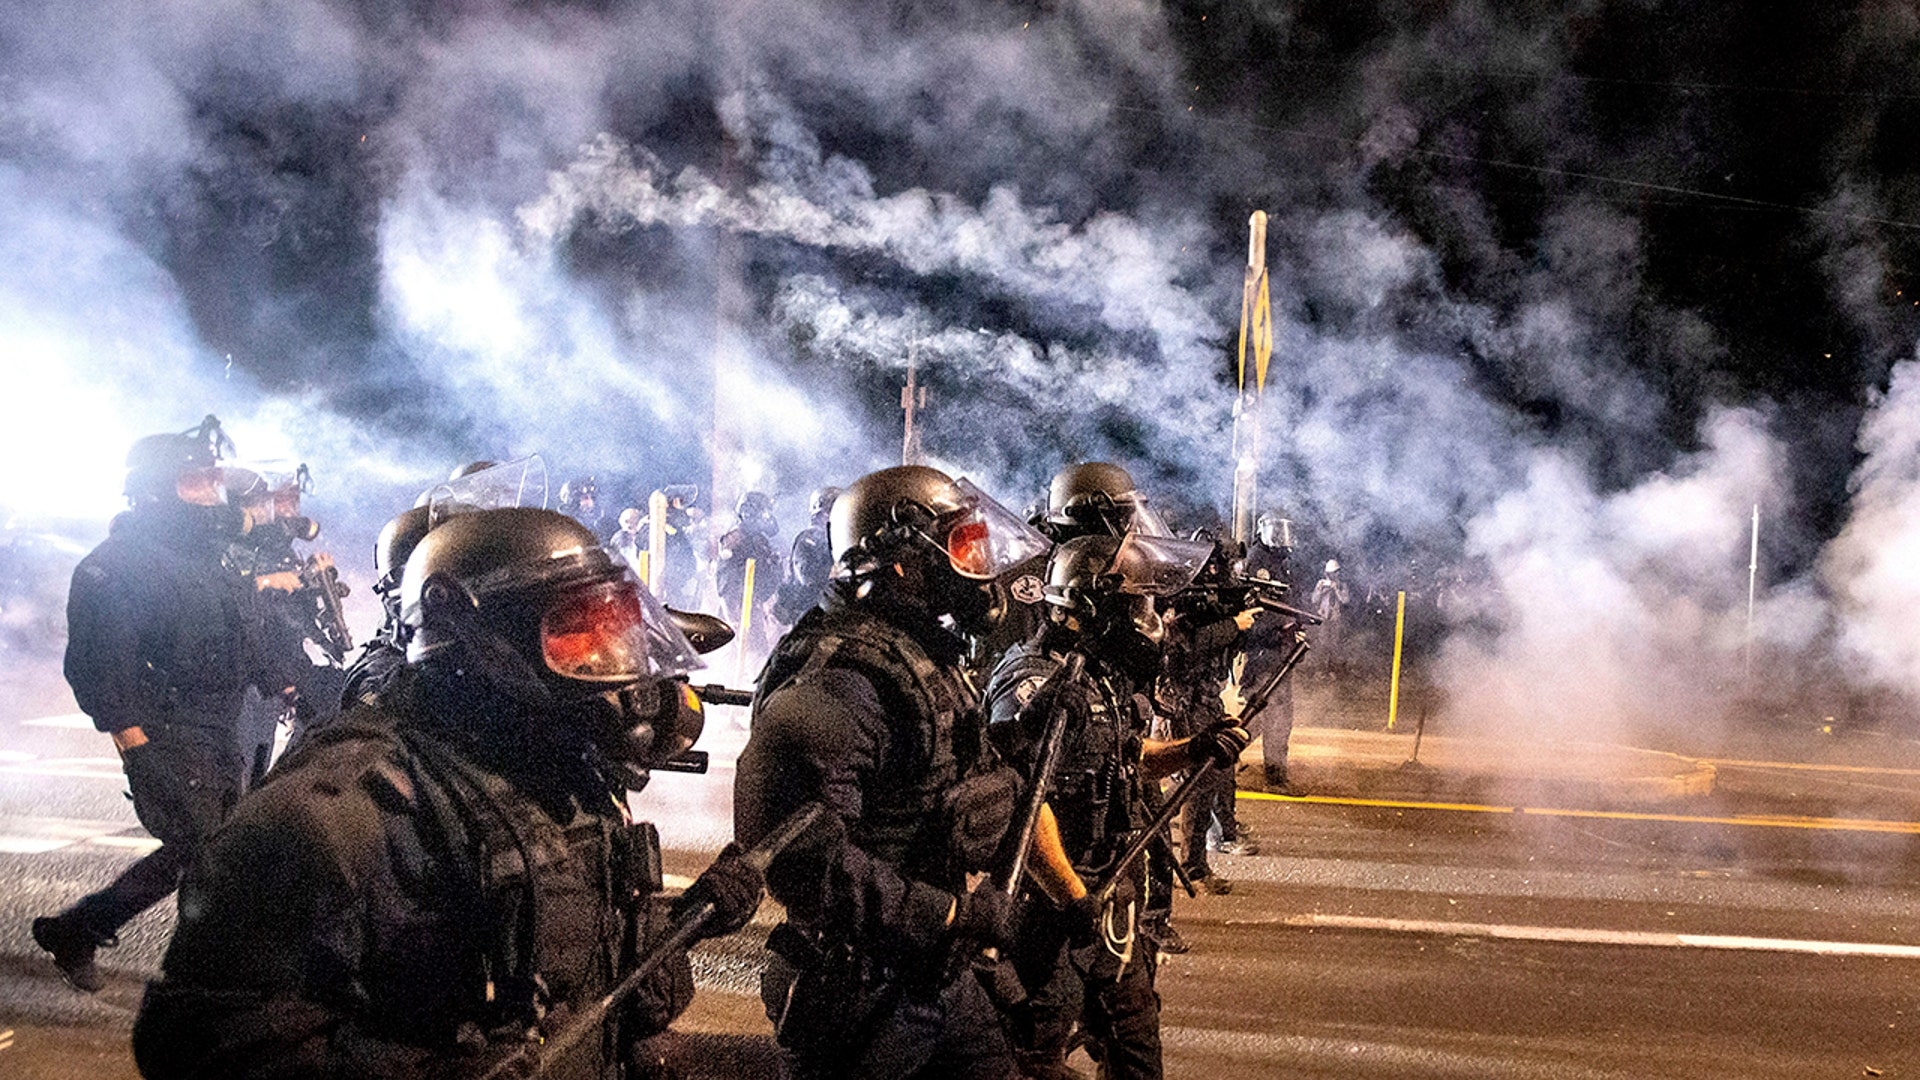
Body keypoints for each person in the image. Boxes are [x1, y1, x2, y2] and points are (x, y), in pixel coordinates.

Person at [131, 506, 766, 1079]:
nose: (605, 658)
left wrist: (688, 921)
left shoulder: (551, 775)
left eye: (610, 630)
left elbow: (575, 971)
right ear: (473, 630)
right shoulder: (337, 812)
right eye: (574, 631)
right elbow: (198, 1044)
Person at [735, 465, 1050, 1080]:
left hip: (938, 974)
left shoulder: (923, 656)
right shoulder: (844, 680)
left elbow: (956, 790)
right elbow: (802, 860)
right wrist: (951, 915)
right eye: (962, 546)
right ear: (902, 561)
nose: (980, 566)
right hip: (860, 993)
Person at [985, 534, 1249, 1080]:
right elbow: (1024, 802)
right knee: (1033, 1058)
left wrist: (1193, 748)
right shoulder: (1034, 683)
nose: (1149, 620)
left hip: (1108, 901)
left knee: (1136, 1054)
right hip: (1049, 909)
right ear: (1090, 610)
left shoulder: (1102, 676)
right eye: (1137, 606)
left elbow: (1126, 758)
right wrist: (1074, 896)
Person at [32, 419, 271, 994]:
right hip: (166, 727)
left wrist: (286, 684)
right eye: (196, 483)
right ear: (158, 488)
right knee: (212, 855)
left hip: (224, 722)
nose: (211, 495)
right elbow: (96, 665)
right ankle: (205, 988)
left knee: (200, 849)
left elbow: (242, 634)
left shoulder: (208, 556)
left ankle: (79, 929)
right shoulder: (118, 563)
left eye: (213, 482)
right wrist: (134, 743)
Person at [1239, 512, 1296, 792]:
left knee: (1264, 717)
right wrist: (1282, 624)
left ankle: (1224, 760)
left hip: (1277, 651)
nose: (1282, 536)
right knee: (1273, 717)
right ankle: (1275, 778)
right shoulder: (1257, 561)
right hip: (1264, 653)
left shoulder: (1278, 562)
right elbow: (1255, 610)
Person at [713, 491, 781, 663]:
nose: (766, 518)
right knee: (745, 655)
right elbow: (726, 582)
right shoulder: (735, 539)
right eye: (763, 512)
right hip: (740, 607)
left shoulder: (758, 539)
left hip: (754, 605)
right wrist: (735, 617)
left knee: (758, 652)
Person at [770, 485, 838, 627]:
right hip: (808, 616)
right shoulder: (808, 540)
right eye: (830, 511)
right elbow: (808, 577)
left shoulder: (837, 540)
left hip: (830, 613)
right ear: (819, 513)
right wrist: (834, 572)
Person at [1310, 558, 1351, 677]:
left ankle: (1332, 670)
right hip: (1323, 617)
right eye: (1330, 573)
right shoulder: (1321, 584)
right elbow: (1314, 600)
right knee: (1322, 644)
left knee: (1334, 645)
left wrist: (1336, 589)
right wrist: (1319, 589)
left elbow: (1345, 601)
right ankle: (1321, 670)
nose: (1333, 575)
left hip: (1335, 618)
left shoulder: (1342, 585)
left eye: (1335, 573)